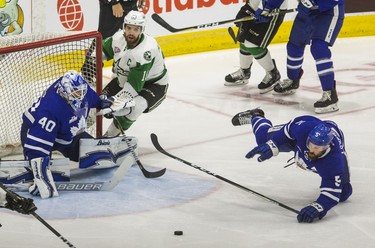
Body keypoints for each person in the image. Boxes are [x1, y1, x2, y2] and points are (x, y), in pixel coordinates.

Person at [231, 108, 352, 223]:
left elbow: (332, 192)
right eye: (310, 144)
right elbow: (287, 131)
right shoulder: (303, 128)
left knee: (343, 192)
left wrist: (319, 206)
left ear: (327, 146)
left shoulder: (334, 160)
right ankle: (255, 116)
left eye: (316, 148)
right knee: (263, 139)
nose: (311, 148)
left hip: (333, 143)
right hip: (298, 138)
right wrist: (272, 145)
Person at [20, 70, 126, 198]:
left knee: (94, 153)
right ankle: (32, 171)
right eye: (76, 92)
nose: (80, 95)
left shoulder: (80, 90)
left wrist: (104, 102)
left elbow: (93, 100)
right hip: (34, 132)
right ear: (65, 92)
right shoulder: (51, 108)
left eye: (81, 91)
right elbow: (37, 145)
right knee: (42, 162)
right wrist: (40, 176)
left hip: (64, 134)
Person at [259, 0, 344, 113]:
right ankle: (293, 80)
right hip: (307, 12)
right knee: (294, 45)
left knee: (319, 48)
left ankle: (330, 94)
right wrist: (267, 8)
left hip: (329, 11)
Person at [101, 10, 169, 136]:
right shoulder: (118, 38)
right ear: (124, 27)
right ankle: (73, 136)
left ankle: (110, 137)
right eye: (129, 28)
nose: (131, 32)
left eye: (136, 29)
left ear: (141, 30)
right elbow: (103, 50)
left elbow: (132, 88)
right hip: (125, 79)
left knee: (136, 106)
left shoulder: (146, 52)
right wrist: (94, 59)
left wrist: (114, 102)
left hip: (154, 85)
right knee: (97, 103)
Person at [224, 0, 287, 94]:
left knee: (253, 44)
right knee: (243, 37)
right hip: (257, 6)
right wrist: (249, 7)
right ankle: (244, 72)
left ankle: (273, 74)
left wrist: (267, 9)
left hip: (273, 9)